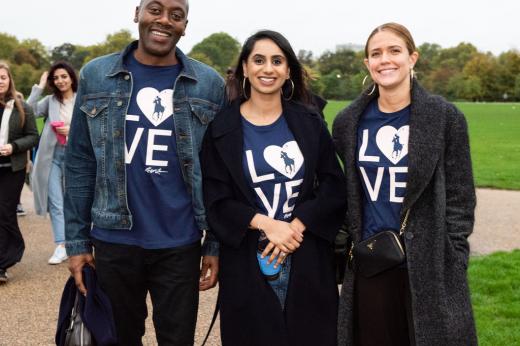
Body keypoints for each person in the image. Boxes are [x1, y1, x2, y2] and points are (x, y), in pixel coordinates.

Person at [63, 0, 225, 344]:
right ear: (137, 13)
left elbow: (218, 173)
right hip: (114, 239)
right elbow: (79, 163)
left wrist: (213, 243)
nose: (164, 20)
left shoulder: (208, 84)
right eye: (155, 9)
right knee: (119, 338)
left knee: (177, 339)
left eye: (176, 15)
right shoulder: (95, 75)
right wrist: (76, 242)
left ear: (185, 25)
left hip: (180, 243)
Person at [333, 23, 477, 346]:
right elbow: (346, 193)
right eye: (376, 53)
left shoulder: (445, 118)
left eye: (394, 51)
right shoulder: (348, 122)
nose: (385, 60)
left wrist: (454, 255)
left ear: (413, 58)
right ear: (367, 64)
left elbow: (460, 196)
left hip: (429, 264)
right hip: (372, 260)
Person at [201, 30, 347, 346]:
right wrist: (267, 225)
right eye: (259, 60)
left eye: (277, 61)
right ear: (244, 68)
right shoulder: (221, 129)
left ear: (288, 70)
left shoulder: (309, 122)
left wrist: (294, 227)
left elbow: (335, 186)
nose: (268, 69)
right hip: (247, 260)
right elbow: (216, 200)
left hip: (305, 255)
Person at [27, 61, 78, 264]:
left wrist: (71, 129)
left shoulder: (82, 99)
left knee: (75, 202)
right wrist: (38, 87)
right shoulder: (50, 101)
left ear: (71, 77)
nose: (60, 81)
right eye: (56, 78)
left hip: (76, 158)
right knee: (56, 202)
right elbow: (28, 112)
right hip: (52, 158)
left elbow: (92, 126)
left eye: (64, 76)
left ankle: (80, 242)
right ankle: (62, 245)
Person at [0, 61, 39, 283]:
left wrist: (13, 147)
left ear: (9, 80)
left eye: (3, 77)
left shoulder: (23, 107)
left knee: (4, 213)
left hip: (12, 169)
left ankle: (3, 263)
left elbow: (33, 136)